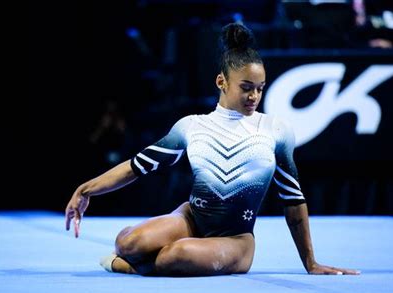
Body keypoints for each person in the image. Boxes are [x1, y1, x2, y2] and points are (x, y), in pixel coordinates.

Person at [65, 22, 360, 277]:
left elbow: (293, 200)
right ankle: (129, 258)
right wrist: (85, 190)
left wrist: (310, 262)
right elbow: (137, 166)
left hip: (235, 239)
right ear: (222, 81)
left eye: (260, 87)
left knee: (173, 256)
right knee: (127, 243)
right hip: (191, 219)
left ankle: (125, 267)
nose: (254, 96)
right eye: (246, 87)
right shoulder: (191, 126)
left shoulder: (275, 131)